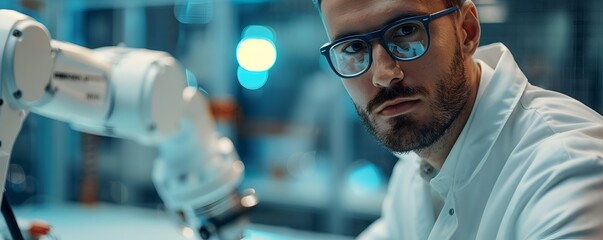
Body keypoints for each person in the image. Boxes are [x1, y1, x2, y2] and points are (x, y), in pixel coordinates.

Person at [313, 0, 603, 239]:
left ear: (467, 31)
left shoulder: (568, 168)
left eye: (405, 31)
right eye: (353, 48)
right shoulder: (416, 167)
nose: (383, 75)